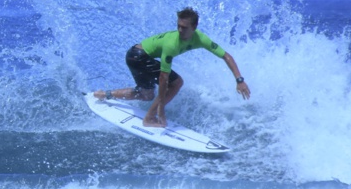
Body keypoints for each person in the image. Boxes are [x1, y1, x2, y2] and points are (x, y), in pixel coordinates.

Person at [94, 7, 251, 128]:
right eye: (178, 26)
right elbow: (164, 78)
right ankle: (149, 118)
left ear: (194, 27)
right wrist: (161, 108)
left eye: (184, 27)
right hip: (138, 56)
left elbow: (226, 56)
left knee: (146, 95)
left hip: (137, 55)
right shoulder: (172, 44)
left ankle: (104, 94)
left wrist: (239, 80)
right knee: (176, 83)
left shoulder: (201, 39)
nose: (180, 30)